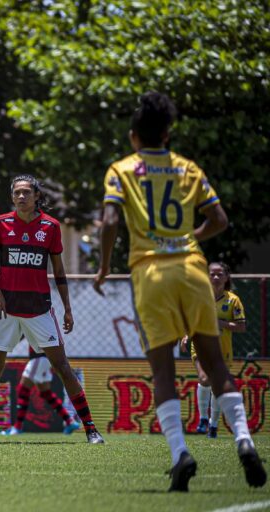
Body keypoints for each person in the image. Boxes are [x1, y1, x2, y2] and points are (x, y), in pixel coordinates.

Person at [94, 91, 264, 491]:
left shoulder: (121, 170)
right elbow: (219, 219)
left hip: (150, 272)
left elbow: (108, 221)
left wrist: (104, 267)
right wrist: (188, 238)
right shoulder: (188, 168)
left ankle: (180, 454)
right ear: (168, 134)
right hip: (192, 268)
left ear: (134, 136)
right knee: (216, 364)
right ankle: (244, 441)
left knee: (163, 370)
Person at [0, 174, 104, 445]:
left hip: (39, 309)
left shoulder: (51, 227)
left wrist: (67, 308)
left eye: (26, 193)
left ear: (36, 196)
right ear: (12, 197)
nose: (21, 197)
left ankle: (90, 429)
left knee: (63, 367)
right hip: (4, 310)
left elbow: (59, 270)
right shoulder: (0, 223)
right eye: (17, 193)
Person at [179, 262, 245, 439]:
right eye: (212, 274)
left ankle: (213, 426)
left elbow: (241, 326)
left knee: (217, 385)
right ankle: (203, 419)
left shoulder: (233, 300)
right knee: (204, 377)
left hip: (222, 349)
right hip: (200, 345)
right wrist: (186, 336)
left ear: (226, 277)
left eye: (219, 274)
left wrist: (221, 324)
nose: (215, 277)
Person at [0, 346, 81, 436]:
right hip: (44, 359)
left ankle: (17, 427)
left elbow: (21, 334)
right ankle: (69, 421)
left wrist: (5, 344)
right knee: (46, 393)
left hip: (38, 358)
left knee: (22, 390)